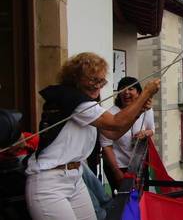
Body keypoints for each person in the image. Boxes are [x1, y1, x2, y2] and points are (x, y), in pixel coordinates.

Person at [24, 52, 160, 220]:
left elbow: (113, 133)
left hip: (74, 177)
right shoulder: (74, 100)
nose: (97, 85)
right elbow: (116, 123)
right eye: (92, 80)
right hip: (49, 182)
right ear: (75, 79)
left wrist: (138, 111)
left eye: (101, 81)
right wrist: (145, 93)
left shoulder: (82, 101)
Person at [100, 76, 155, 195]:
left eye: (131, 89)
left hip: (139, 163)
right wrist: (117, 172)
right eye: (123, 89)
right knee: (123, 199)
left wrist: (145, 133)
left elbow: (151, 130)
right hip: (119, 166)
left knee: (140, 198)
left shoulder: (147, 109)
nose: (126, 92)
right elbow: (106, 145)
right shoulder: (110, 114)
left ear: (139, 92)